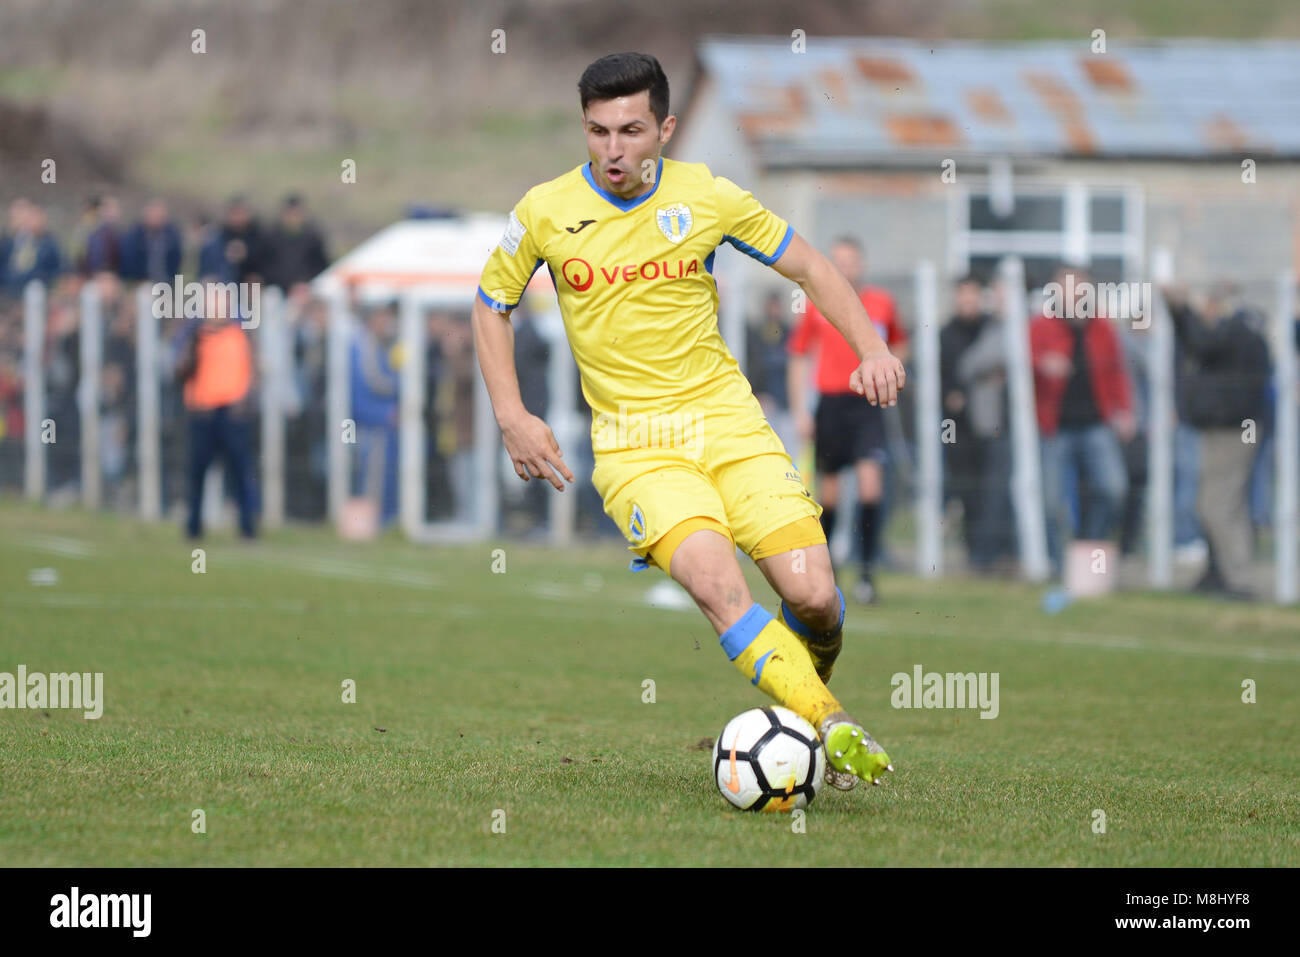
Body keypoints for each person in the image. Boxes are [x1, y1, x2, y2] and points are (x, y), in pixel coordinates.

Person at [472, 52, 904, 792]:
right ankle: (831, 724)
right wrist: (511, 414)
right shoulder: (544, 211)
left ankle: (798, 718)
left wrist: (869, 345)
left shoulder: (708, 196)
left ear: (665, 128)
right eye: (598, 131)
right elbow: (491, 302)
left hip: (730, 426)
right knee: (715, 581)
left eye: (631, 130)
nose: (613, 149)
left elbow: (808, 266)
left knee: (813, 597)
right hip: (637, 449)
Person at [787, 237, 908, 604]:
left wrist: (888, 371)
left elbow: (900, 345)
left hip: (866, 404)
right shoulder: (815, 306)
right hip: (832, 405)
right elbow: (798, 355)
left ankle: (868, 574)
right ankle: (830, 576)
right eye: (836, 261)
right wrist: (800, 410)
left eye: (850, 261)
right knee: (831, 495)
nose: (844, 268)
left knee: (871, 487)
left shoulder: (881, 303)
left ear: (861, 264)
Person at [1163, 284, 1270, 599]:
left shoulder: (1237, 329)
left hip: (1235, 429)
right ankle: (1219, 573)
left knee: (1218, 506)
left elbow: (1203, 344)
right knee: (1221, 503)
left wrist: (1181, 311)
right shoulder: (1240, 330)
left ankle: (1239, 580)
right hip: (1224, 427)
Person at [1030, 265, 1135, 576]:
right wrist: (1042, 364)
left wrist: (1124, 410)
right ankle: (1058, 567)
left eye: (1078, 288)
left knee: (1113, 489)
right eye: (1065, 288)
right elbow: (1023, 360)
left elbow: (1117, 371)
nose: (1073, 294)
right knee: (1050, 502)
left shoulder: (1102, 326)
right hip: (1054, 428)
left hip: (1096, 425)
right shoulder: (1041, 326)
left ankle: (1089, 553)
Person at [174, 281, 258, 539]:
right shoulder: (195, 336)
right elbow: (181, 372)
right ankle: (194, 528)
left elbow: (249, 370)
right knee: (197, 473)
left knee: (240, 472)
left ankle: (247, 528)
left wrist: (243, 401)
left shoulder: (238, 335)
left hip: (231, 414)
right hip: (204, 413)